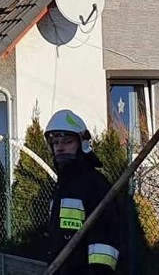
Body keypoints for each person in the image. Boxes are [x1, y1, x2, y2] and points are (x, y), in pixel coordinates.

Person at [43, 109, 123, 274]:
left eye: (67, 142)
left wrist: (99, 272)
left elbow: (104, 239)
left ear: (82, 144)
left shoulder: (94, 184)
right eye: (56, 143)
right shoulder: (62, 186)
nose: (60, 148)